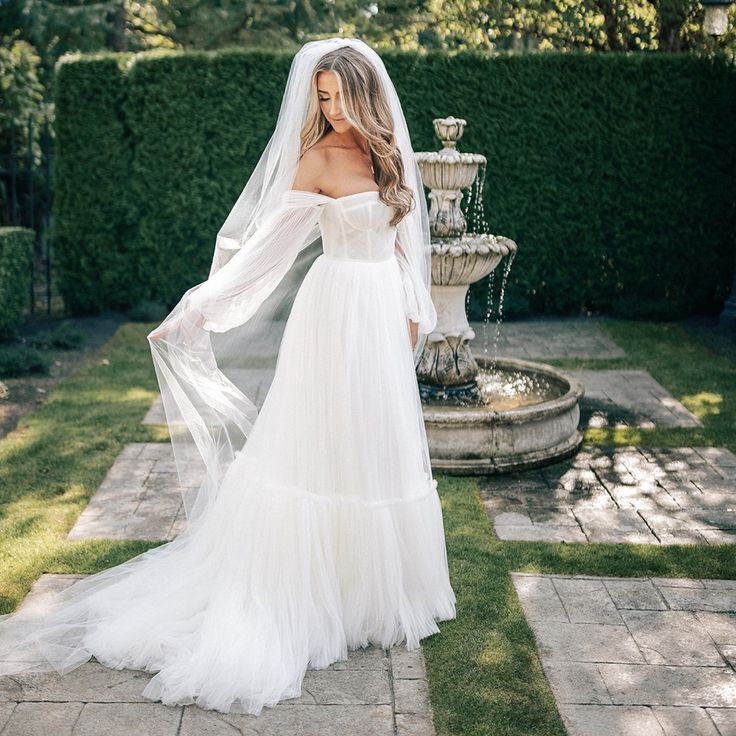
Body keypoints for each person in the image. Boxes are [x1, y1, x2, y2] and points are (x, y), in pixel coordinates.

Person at [0, 37, 456, 716]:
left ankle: (369, 597)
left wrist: (411, 323)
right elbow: (262, 252)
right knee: (318, 449)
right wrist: (200, 306)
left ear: (363, 94)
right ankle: (305, 592)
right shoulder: (316, 158)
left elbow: (403, 249)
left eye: (335, 96)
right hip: (332, 316)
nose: (326, 108)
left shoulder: (389, 155)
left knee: (373, 452)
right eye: (320, 97)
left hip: (380, 320)